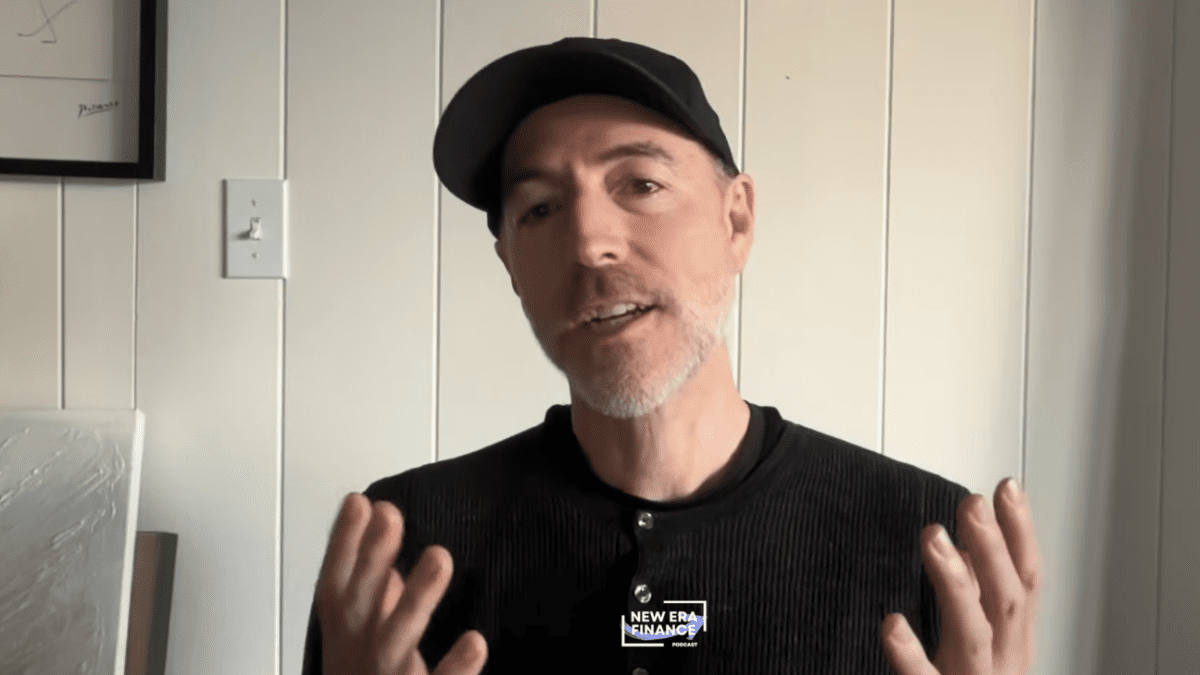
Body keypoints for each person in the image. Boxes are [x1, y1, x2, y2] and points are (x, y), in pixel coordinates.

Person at [302, 37, 1040, 675]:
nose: (590, 243)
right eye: (540, 209)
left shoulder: (931, 546)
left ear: (736, 219)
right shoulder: (405, 544)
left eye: (642, 184)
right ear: (511, 266)